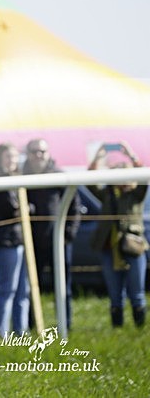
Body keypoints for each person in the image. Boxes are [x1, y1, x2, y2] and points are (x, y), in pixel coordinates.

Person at [87, 141, 148, 328]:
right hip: (108, 248)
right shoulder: (107, 194)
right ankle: (117, 328)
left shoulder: (136, 194)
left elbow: (145, 176)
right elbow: (90, 181)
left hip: (132, 247)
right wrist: (98, 157)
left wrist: (131, 155)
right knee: (115, 294)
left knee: (136, 291)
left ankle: (139, 327)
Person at [22, 138, 80, 329]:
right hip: (32, 244)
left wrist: (67, 235)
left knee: (63, 288)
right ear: (28, 154)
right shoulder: (21, 177)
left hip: (59, 243)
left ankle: (66, 326)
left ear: (48, 154)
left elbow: (74, 207)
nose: (38, 155)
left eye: (42, 151)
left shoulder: (59, 177)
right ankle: (32, 326)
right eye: (34, 151)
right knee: (31, 288)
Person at [0, 142, 30, 338]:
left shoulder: (15, 178)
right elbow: (11, 208)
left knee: (22, 290)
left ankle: (21, 331)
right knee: (7, 288)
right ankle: (0, 333)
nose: (13, 161)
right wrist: (27, 209)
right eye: (8, 157)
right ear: (0, 157)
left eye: (15, 157)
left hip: (18, 239)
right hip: (5, 241)